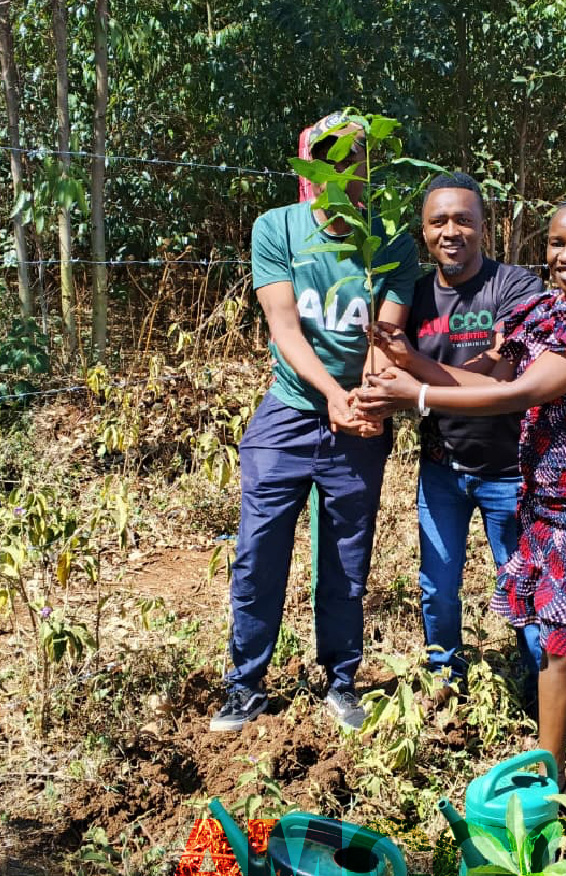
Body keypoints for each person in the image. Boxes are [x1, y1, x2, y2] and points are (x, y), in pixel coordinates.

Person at [360, 193, 566, 844]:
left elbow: (524, 393)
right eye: (557, 242)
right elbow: (487, 380)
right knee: (554, 646)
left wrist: (416, 396)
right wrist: (406, 361)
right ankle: (547, 783)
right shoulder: (543, 311)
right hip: (546, 501)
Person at [210, 112, 417, 734]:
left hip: (360, 417)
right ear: (309, 165)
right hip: (290, 411)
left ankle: (342, 681)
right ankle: (246, 685)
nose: (342, 171)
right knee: (258, 552)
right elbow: (283, 326)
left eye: (354, 158)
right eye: (328, 157)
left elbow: (387, 334)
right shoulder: (277, 228)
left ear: (369, 167)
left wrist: (368, 399)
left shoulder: (392, 242)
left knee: (347, 557)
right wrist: (331, 392)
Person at [399, 172, 545, 712]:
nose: (451, 231)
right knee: (438, 585)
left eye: (464, 219)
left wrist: (417, 377)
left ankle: (541, 689)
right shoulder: (413, 295)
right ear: (423, 230)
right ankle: (445, 678)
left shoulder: (514, 286)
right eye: (438, 221)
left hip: (510, 469)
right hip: (442, 468)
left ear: (485, 226)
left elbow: (506, 379)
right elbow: (384, 364)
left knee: (522, 584)